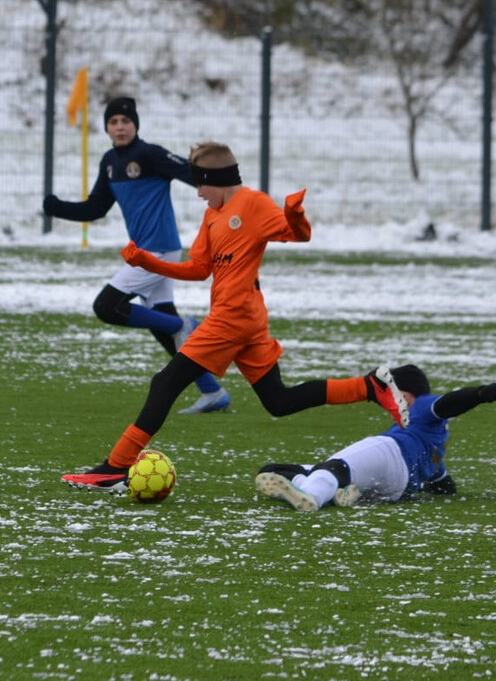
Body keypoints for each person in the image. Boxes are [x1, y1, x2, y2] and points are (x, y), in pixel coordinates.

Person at [61, 140, 409, 492]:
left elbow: (299, 235)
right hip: (246, 318)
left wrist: (294, 214)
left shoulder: (253, 204)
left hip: (233, 317)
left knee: (165, 383)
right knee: (279, 400)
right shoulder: (212, 214)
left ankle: (116, 466)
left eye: (201, 184)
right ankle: (371, 386)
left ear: (219, 179)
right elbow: (199, 269)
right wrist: (147, 262)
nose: (197, 192)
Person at [43, 96, 230, 414]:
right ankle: (212, 392)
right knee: (162, 327)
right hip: (147, 250)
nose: (119, 127)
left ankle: (180, 324)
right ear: (106, 127)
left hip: (159, 250)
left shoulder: (151, 154)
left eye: (125, 121)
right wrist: (57, 208)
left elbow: (191, 173)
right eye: (113, 122)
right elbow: (96, 208)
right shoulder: (109, 163)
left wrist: (229, 196)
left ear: (135, 125)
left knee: (107, 306)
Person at [255, 364, 496, 511]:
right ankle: (340, 492)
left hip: (392, 455)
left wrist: (482, 393)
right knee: (273, 470)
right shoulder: (435, 443)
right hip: (397, 490)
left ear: (406, 393)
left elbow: (448, 403)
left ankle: (313, 496)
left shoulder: (422, 405)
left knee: (335, 467)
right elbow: (444, 485)